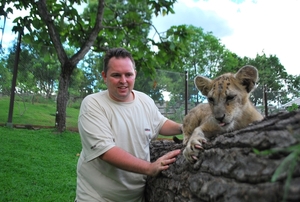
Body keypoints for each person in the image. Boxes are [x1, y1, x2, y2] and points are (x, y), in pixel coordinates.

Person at [75, 47, 182, 202]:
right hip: (97, 197)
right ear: (104, 76)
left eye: (128, 74)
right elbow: (106, 151)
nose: (123, 81)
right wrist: (150, 168)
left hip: (134, 197)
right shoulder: (93, 104)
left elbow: (160, 123)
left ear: (135, 75)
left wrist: (184, 127)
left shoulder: (144, 100)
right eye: (116, 75)